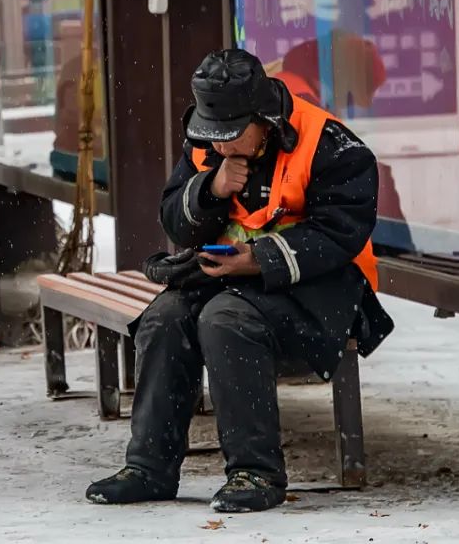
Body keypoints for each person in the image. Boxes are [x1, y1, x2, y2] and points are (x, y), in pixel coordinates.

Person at [85, 49, 394, 513]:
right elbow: (174, 219)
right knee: (164, 317)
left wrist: (257, 260)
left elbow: (340, 234)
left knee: (225, 320)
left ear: (264, 120)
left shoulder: (330, 144)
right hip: (233, 282)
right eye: (214, 136)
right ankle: (149, 467)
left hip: (317, 295)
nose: (221, 146)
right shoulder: (209, 146)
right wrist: (210, 188)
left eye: (231, 136)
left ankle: (256, 472)